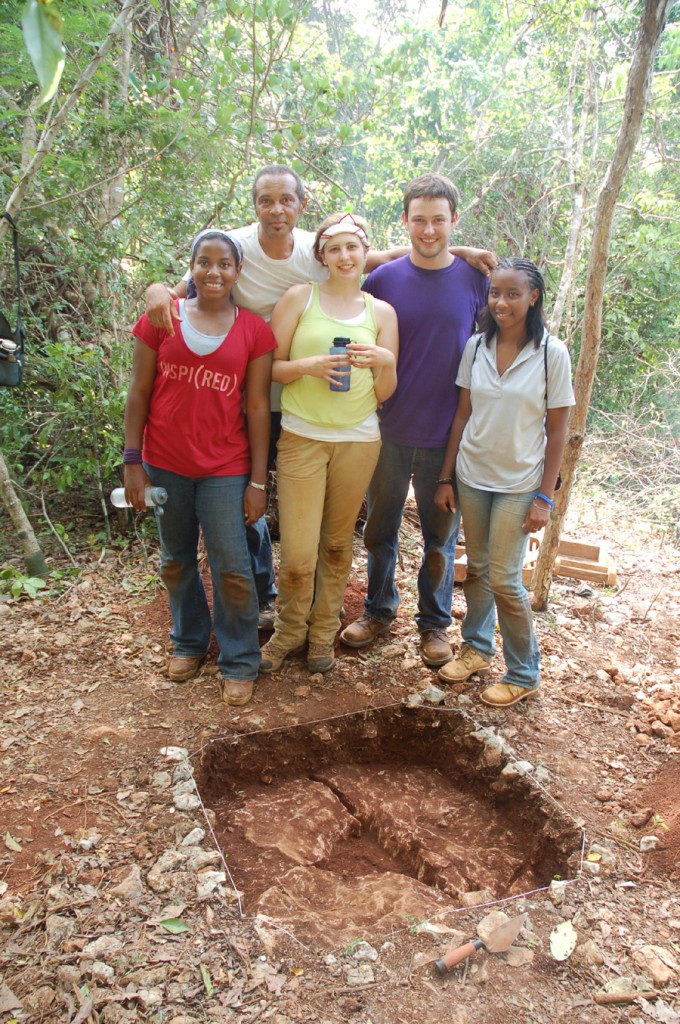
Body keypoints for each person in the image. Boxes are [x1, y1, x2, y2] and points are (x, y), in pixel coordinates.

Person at [144, 165, 495, 629]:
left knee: (404, 535)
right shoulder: (243, 247)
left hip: (379, 419)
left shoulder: (461, 278)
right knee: (257, 503)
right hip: (262, 401)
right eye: (266, 201)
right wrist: (159, 290)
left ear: (301, 205)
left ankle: (403, 620)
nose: (276, 209)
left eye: (286, 200)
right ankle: (279, 602)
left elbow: (390, 259)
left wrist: (462, 252)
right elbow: (200, 273)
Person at [340, 173, 491, 668]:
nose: (429, 230)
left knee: (440, 540)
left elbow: (497, 351)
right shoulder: (383, 280)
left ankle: (434, 624)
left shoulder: (476, 280)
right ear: (404, 220)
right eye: (419, 219)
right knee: (379, 531)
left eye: (439, 220)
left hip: (448, 436)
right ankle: (378, 610)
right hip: (385, 430)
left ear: (454, 220)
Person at [124, 231, 276, 707]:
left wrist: (257, 481)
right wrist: (132, 461)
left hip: (225, 467)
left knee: (232, 566)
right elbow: (139, 391)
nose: (214, 272)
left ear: (238, 271)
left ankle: (240, 659)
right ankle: (189, 642)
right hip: (165, 464)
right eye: (204, 262)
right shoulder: (161, 318)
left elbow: (257, 407)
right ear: (190, 267)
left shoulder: (254, 330)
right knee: (176, 560)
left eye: (224, 263)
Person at [258, 213, 398, 674]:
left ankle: (321, 635)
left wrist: (385, 361)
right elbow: (269, 368)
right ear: (322, 255)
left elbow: (384, 392)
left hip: (359, 440)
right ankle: (288, 632)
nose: (344, 256)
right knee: (298, 556)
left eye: (352, 247)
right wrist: (309, 366)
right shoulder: (300, 298)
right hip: (302, 436)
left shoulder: (381, 312)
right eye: (334, 248)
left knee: (337, 546)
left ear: (365, 253)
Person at [434, 257, 575, 707]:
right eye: (495, 293)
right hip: (473, 476)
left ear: (533, 297)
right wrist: (446, 476)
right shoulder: (476, 346)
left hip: (520, 483)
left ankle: (523, 672)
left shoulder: (551, 354)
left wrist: (544, 498)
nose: (501, 302)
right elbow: (462, 415)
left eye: (513, 294)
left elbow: (558, 431)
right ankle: (476, 648)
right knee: (477, 569)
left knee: (505, 580)